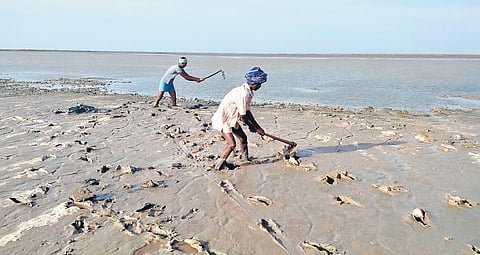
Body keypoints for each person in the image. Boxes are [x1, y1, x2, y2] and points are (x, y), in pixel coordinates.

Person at [211, 66, 268, 170]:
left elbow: (247, 112)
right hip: (224, 120)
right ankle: (218, 165)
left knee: (243, 138)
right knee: (231, 145)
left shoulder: (248, 92)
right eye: (259, 84)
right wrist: (255, 128)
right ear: (253, 83)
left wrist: (256, 127)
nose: (260, 86)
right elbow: (243, 116)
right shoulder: (242, 94)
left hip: (232, 118)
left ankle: (245, 159)